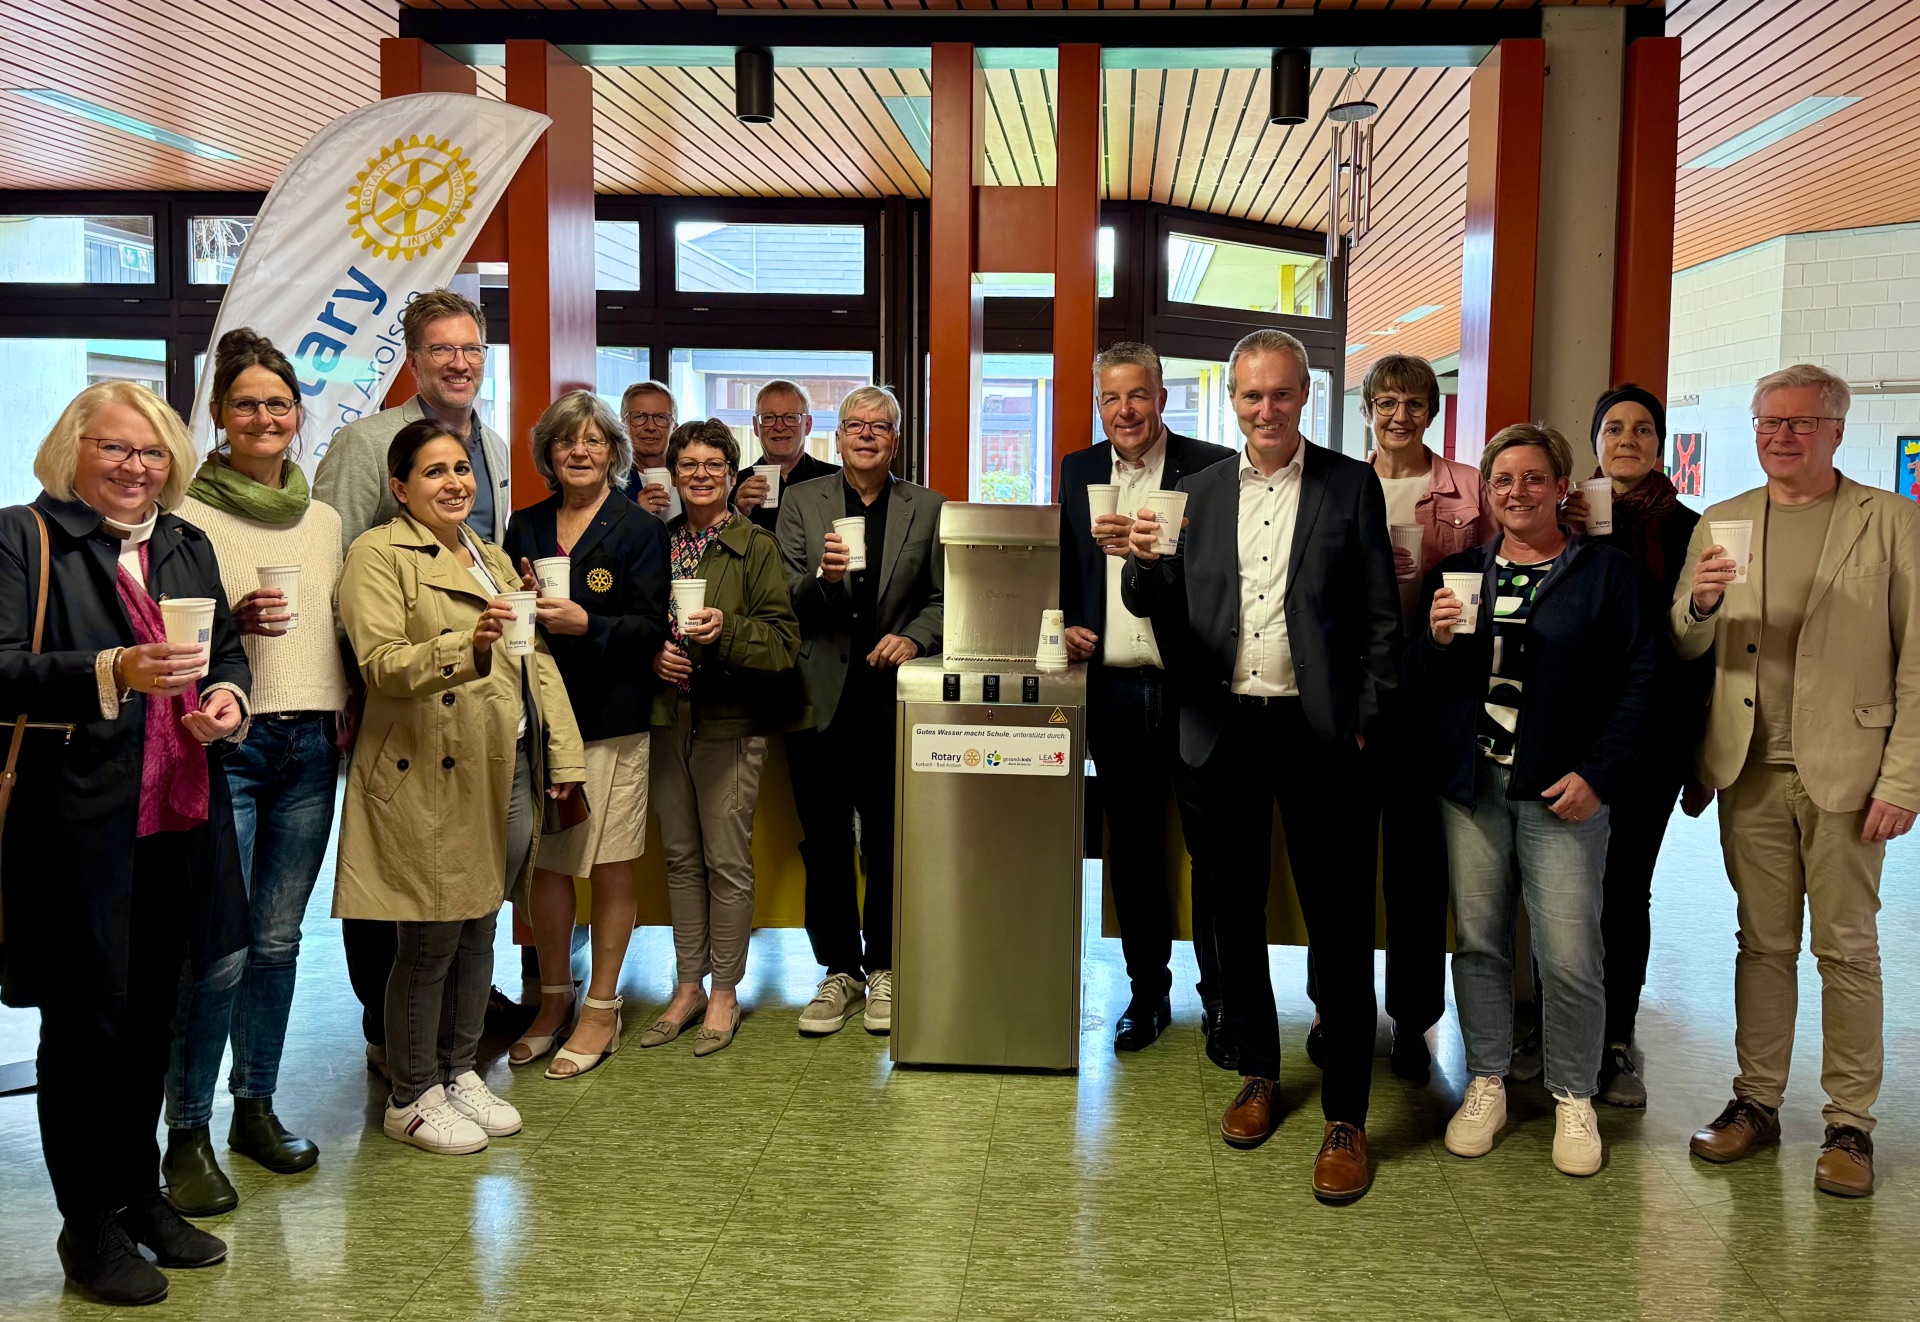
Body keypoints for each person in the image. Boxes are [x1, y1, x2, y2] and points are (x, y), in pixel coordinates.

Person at [1122, 329, 1398, 1203]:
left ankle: (1346, 1114)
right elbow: (1154, 602)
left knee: (1340, 925)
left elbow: (1381, 618)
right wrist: (1142, 564)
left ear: (1305, 396)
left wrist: (1364, 723)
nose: (1266, 409)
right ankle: (1257, 1071)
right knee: (1232, 915)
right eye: (1251, 395)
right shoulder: (1197, 492)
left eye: (1281, 394)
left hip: (1321, 734)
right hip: (1223, 728)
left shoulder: (1349, 485)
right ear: (1232, 400)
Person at [0, 381, 250, 1305]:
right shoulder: (22, 538)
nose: (135, 468)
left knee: (151, 1022)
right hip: (76, 828)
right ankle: (88, 1227)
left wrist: (227, 702)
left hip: (177, 818)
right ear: (73, 449)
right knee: (84, 1031)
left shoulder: (186, 542)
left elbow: (226, 653)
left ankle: (141, 1198)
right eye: (114, 448)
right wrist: (113, 669)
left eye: (150, 453)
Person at [1674, 364, 1919, 1198]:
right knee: (1762, 944)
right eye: (1768, 422)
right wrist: (1700, 605)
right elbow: (1684, 642)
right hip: (1748, 767)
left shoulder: (1891, 522)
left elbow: (1917, 660)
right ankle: (1757, 1102)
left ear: (1836, 431)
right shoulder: (1725, 519)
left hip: (1849, 771)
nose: (1781, 436)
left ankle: (1850, 1124)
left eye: (1800, 422)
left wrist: (1905, 779)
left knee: (1846, 950)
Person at [333, 419, 585, 1154]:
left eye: (461, 469)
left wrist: (563, 756)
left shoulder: (488, 555)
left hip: (501, 764)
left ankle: (457, 1069)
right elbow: (381, 664)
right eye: (434, 471)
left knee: (480, 925)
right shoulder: (376, 555)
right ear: (400, 487)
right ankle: (410, 1094)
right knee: (431, 936)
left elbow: (534, 661)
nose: (454, 483)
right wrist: (463, 646)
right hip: (426, 769)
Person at [1412, 422, 1653, 1179]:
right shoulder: (1459, 571)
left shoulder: (1606, 574)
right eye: (1503, 480)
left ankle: (1574, 1094)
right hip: (1473, 789)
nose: (1517, 492)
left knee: (1570, 954)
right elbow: (1423, 685)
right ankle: (1486, 1081)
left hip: (1562, 794)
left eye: (1533, 478)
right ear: (1488, 491)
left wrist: (1599, 776)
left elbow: (1641, 681)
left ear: (1560, 488)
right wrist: (1434, 642)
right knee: (1480, 943)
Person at [161, 329, 351, 1218]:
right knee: (217, 951)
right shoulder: (184, 517)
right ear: (219, 415)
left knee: (278, 943)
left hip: (312, 744)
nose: (265, 417)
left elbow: (335, 629)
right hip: (227, 747)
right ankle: (186, 1133)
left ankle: (256, 1110)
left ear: (298, 414)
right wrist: (227, 625)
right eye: (247, 404)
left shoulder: (325, 519)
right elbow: (167, 638)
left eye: (279, 403)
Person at [312, 288, 512, 1083]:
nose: (459, 363)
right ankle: (386, 1034)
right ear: (414, 358)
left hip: (473, 694)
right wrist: (349, 682)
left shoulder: (491, 444)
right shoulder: (368, 442)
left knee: (460, 872)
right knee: (393, 870)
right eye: (442, 349)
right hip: (397, 687)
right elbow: (335, 566)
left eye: (470, 349)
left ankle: (450, 1028)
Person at [1058, 342, 1232, 1055]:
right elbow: (1069, 567)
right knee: (1131, 850)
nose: (1124, 410)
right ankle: (1147, 993)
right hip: (1114, 688)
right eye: (1111, 397)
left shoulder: (1213, 467)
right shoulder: (1079, 469)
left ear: (1162, 397)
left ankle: (1223, 1000)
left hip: (1194, 687)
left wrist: (1159, 553)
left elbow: (1226, 572)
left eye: (1137, 395)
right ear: (1099, 404)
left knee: (1213, 850)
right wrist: (1068, 622)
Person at [1330, 352, 1495, 1084]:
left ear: (1433, 410)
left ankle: (1413, 1019)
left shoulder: (1469, 488)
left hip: (1434, 700)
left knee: (1417, 874)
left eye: (1416, 403)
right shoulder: (1341, 483)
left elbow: (1510, 557)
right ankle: (1337, 1010)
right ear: (1368, 408)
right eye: (1387, 402)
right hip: (1355, 695)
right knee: (1341, 870)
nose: (1401, 416)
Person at [503, 390, 669, 1078]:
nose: (580, 451)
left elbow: (651, 628)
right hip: (541, 722)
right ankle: (554, 1000)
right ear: (548, 453)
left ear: (613, 453)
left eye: (594, 441)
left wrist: (587, 625)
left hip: (610, 721)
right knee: (547, 863)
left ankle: (602, 1006)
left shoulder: (639, 529)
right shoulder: (525, 525)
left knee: (609, 861)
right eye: (566, 441)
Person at [1558, 383, 1711, 1107]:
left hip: (1652, 738)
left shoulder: (1691, 529)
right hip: (1569, 736)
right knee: (1561, 890)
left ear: (1659, 442)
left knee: (1625, 891)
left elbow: (1703, 650)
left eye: (1643, 429)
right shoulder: (1563, 519)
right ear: (1595, 441)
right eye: (1614, 428)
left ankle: (1616, 1038)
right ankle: (1558, 1030)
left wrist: (1699, 755)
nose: (1628, 440)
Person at [779, 386, 944, 1039]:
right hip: (816, 696)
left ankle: (885, 967)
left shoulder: (926, 506)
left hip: (890, 699)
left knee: (888, 838)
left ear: (895, 440)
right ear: (838, 435)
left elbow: (942, 597)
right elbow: (784, 596)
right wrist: (823, 579)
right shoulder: (801, 501)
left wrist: (916, 639)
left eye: (880, 426)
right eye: (855, 425)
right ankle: (839, 970)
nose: (867, 435)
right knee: (824, 842)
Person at [645, 418, 801, 1057]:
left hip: (729, 722)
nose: (701, 475)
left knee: (726, 862)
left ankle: (725, 992)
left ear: (733, 475)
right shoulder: (656, 542)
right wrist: (653, 655)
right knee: (680, 857)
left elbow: (785, 643)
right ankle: (688, 984)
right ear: (673, 474)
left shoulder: (755, 546)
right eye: (689, 464)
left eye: (714, 464)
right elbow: (637, 623)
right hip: (667, 718)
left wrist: (726, 630)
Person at [731, 378, 839, 532]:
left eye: (790, 417)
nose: (779, 427)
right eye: (769, 418)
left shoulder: (836, 481)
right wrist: (738, 514)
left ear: (808, 425)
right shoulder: (733, 487)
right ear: (756, 426)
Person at [620, 380, 679, 516]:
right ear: (623, 426)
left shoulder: (690, 476)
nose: (650, 427)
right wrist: (636, 516)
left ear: (675, 428)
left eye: (661, 417)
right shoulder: (609, 485)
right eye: (639, 417)